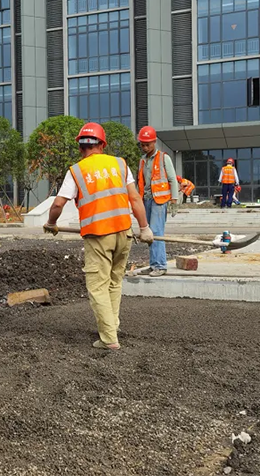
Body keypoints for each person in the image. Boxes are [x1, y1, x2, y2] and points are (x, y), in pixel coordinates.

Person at [43, 122, 153, 351]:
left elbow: (58, 203)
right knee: (114, 282)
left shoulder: (76, 171)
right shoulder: (120, 164)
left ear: (81, 146)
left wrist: (51, 223)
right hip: (124, 233)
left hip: (98, 236)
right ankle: (112, 326)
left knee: (98, 286)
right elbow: (134, 199)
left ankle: (108, 339)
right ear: (102, 144)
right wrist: (144, 228)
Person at [135, 126, 179, 277]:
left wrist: (174, 200)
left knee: (156, 231)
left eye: (148, 144)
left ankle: (160, 265)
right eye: (143, 144)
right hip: (146, 199)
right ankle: (154, 265)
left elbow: (172, 179)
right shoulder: (142, 160)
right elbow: (139, 182)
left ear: (154, 142)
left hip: (159, 200)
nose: (145, 147)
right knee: (148, 233)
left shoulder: (163, 157)